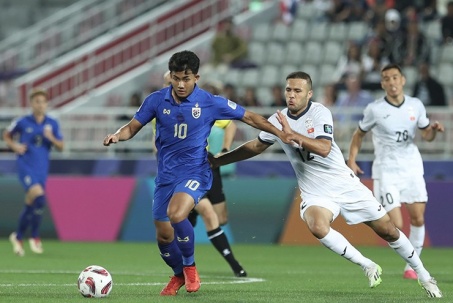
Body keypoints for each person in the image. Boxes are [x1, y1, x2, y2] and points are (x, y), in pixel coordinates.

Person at [211, 71, 442, 298]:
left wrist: (293, 136)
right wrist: (219, 161)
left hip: (344, 184)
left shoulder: (320, 113)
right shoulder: (278, 119)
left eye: (297, 91)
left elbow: (323, 148)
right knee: (317, 226)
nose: (291, 95)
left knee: (389, 231)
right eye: (288, 89)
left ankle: (423, 275)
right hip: (315, 191)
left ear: (309, 94)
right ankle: (367, 264)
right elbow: (256, 146)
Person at [103, 50, 295, 296]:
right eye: (176, 78)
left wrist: (280, 133)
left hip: (196, 171)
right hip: (166, 176)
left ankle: (190, 267)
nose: (181, 84)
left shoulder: (210, 102)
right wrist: (118, 135)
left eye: (186, 78)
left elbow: (249, 117)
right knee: (163, 235)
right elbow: (132, 127)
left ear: (197, 77)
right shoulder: (155, 100)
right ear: (170, 77)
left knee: (177, 213)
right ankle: (178, 275)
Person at [348, 64, 445, 281]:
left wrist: (433, 131)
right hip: (386, 170)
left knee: (418, 218)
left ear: (402, 80)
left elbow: (426, 136)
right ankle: (368, 215)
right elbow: (359, 134)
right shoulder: (375, 109)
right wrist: (352, 159)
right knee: (396, 225)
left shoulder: (416, 105)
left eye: (394, 77)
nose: (391, 82)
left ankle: (411, 267)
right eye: (386, 79)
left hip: (411, 168)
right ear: (382, 84)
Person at [3, 88, 64, 256]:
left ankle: (18, 236)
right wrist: (14, 146)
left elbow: (61, 146)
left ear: (47, 104)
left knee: (32, 203)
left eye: (43, 102)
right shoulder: (23, 122)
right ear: (31, 104)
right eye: (37, 102)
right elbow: (6, 135)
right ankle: (35, 236)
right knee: (39, 197)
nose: (40, 105)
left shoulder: (52, 123)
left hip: (41, 168)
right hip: (26, 166)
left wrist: (51, 138)